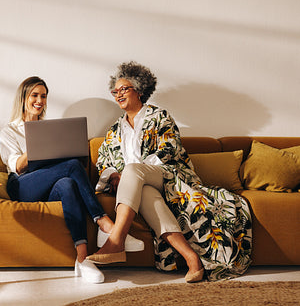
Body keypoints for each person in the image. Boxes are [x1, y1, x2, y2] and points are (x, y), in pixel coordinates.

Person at [86, 61, 252, 282]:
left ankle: (116, 239)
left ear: (140, 90)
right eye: (115, 91)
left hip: (167, 176)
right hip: (138, 186)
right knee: (143, 191)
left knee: (134, 171)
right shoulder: (114, 130)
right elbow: (104, 162)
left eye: (124, 89)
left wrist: (131, 172)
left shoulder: (159, 116)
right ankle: (192, 259)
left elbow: (169, 149)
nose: (118, 94)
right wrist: (114, 174)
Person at [0, 76, 143, 284]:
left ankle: (82, 259)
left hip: (50, 182)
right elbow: (17, 166)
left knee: (67, 183)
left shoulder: (50, 129)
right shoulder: (10, 130)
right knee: (72, 166)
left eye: (44, 96)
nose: (40, 100)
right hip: (22, 185)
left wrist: (61, 145)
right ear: (23, 98)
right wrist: (39, 142)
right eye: (35, 95)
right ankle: (105, 224)